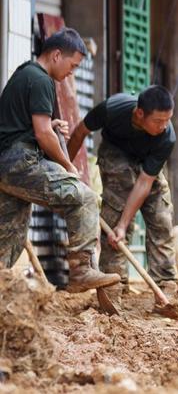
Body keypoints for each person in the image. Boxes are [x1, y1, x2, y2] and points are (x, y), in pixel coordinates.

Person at [0, 28, 119, 292]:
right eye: (73, 65)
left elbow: (28, 126)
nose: (72, 73)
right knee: (85, 198)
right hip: (20, 163)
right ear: (56, 55)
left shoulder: (24, 73)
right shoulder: (41, 80)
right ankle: (82, 271)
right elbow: (43, 135)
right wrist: (68, 166)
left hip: (5, 166)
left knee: (10, 236)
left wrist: (50, 124)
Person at [68, 85, 178, 303]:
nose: (164, 126)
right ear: (139, 113)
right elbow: (80, 132)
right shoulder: (112, 109)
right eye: (158, 121)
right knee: (115, 215)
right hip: (116, 152)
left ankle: (166, 286)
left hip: (145, 162)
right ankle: (114, 287)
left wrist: (124, 224)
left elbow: (145, 182)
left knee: (161, 217)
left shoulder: (167, 137)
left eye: (168, 119)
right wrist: (65, 166)